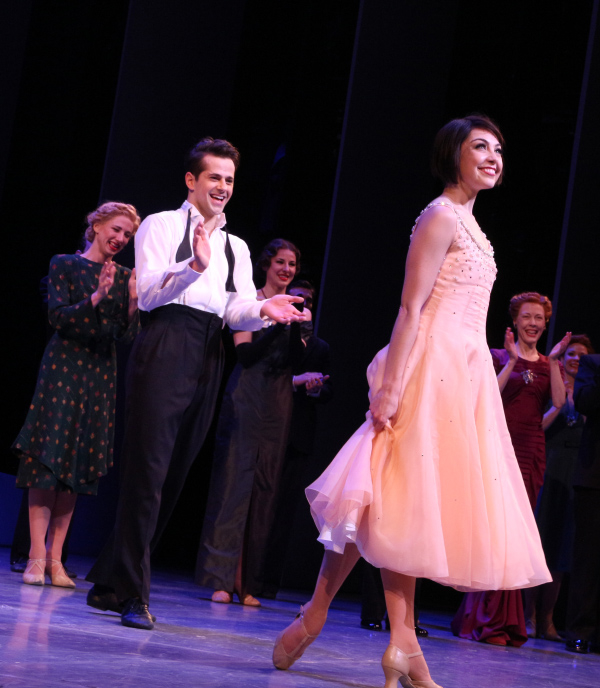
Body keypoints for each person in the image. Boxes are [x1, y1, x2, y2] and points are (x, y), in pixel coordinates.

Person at [271, 115, 551, 688]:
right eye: (481, 147)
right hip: (428, 364)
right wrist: (393, 383)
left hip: (467, 372)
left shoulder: (475, 227)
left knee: (402, 503)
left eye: (500, 148)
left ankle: (383, 636)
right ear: (454, 155)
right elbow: (410, 306)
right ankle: (371, 632)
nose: (494, 157)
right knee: (385, 491)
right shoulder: (440, 215)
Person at [85, 138, 305, 630]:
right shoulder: (161, 225)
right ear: (192, 181)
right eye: (214, 177)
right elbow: (146, 296)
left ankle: (109, 581)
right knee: (148, 472)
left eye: (229, 179)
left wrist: (264, 310)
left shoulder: (237, 246)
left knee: (176, 472)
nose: (223, 187)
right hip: (166, 341)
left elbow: (235, 309)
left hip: (209, 350)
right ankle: (133, 594)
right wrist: (194, 267)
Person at [12, 201, 141, 588]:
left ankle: (56, 559)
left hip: (99, 373)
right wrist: (97, 298)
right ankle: (35, 556)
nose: (120, 239)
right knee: (48, 461)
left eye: (127, 235)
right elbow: (58, 317)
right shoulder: (64, 264)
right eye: (115, 229)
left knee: (77, 465)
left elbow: (124, 336)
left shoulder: (122, 276)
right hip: (63, 368)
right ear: (97, 224)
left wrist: (132, 302)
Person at [451, 293, 570, 646]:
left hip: (530, 453)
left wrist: (556, 362)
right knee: (494, 530)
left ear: (545, 324)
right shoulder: (499, 356)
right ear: (515, 321)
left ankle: (502, 617)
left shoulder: (550, 363)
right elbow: (485, 395)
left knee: (516, 533)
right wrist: (512, 361)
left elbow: (560, 403)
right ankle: (483, 615)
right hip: (497, 449)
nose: (533, 323)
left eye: (539, 318)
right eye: (526, 317)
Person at [196, 238, 305, 605]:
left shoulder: (295, 309)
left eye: (292, 264)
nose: (287, 269)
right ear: (266, 265)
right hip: (246, 395)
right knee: (232, 484)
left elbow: (296, 361)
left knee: (265, 488)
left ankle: (249, 583)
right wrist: (274, 321)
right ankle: (220, 579)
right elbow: (245, 354)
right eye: (280, 262)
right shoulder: (249, 302)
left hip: (278, 403)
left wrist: (292, 324)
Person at [257, 279, 333, 599]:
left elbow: (329, 391)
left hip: (298, 435)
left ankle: (268, 581)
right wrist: (296, 380)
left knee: (285, 511)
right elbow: (263, 377)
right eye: (298, 300)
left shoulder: (320, 347)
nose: (304, 306)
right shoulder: (275, 335)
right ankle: (247, 575)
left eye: (309, 301)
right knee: (261, 504)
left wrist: (316, 388)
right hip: (268, 428)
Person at [533, 335, 594, 641]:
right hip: (549, 464)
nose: (575, 359)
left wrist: (580, 395)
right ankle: (528, 616)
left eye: (582, 355)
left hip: (574, 472)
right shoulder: (549, 381)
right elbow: (539, 425)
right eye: (571, 354)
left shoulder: (589, 390)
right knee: (539, 544)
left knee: (560, 551)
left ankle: (547, 620)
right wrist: (561, 397)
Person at [565, 353, 600, 654]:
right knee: (588, 558)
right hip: (594, 476)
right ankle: (581, 630)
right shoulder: (592, 364)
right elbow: (586, 402)